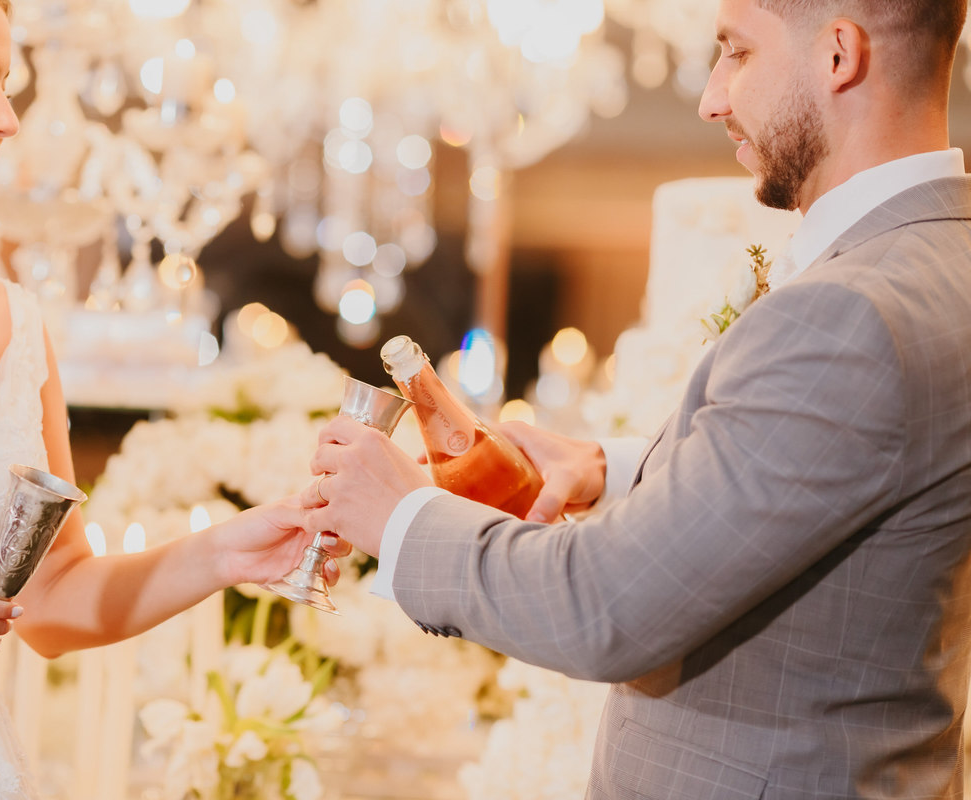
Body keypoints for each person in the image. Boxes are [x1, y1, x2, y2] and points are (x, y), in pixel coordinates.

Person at [304, 0, 971, 796]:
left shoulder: (849, 313)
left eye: (738, 54)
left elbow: (603, 606)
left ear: (838, 57)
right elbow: (843, 478)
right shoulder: (940, 261)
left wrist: (401, 515)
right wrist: (611, 467)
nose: (713, 97)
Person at [0, 1, 344, 797]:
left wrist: (224, 553)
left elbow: (55, 599)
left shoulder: (6, 321)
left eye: (5, 89)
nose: (5, 121)